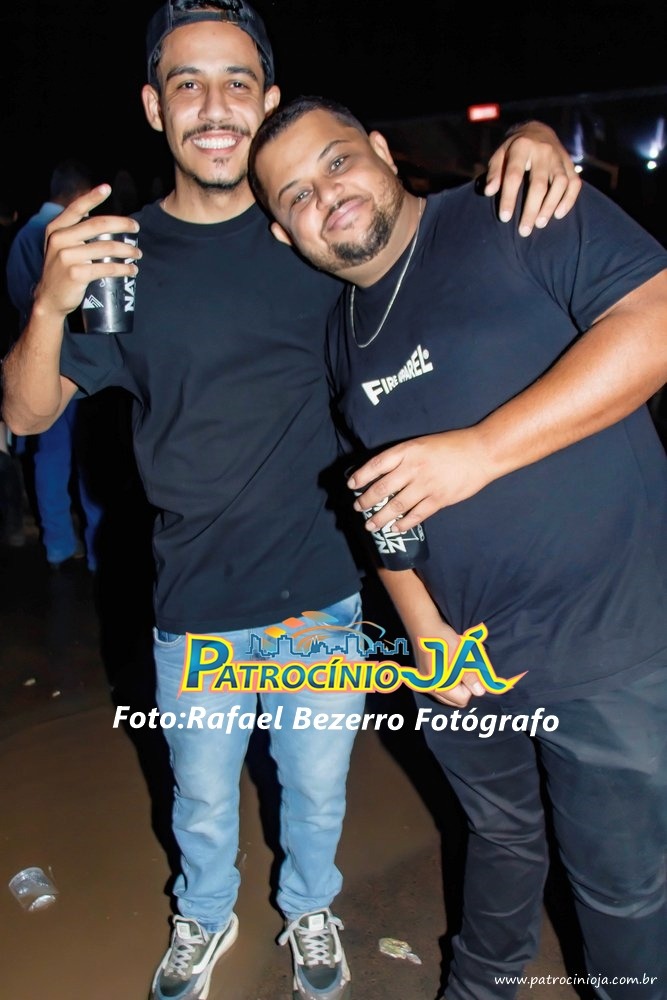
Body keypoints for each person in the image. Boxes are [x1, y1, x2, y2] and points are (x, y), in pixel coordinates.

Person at [1, 3, 582, 998]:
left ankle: (309, 906)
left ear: (266, 99)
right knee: (200, 801)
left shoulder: (311, 232)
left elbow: (433, 232)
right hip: (193, 601)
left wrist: (525, 136)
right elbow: (25, 408)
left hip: (322, 596)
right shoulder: (122, 258)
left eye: (237, 81)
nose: (213, 105)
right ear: (154, 107)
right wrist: (50, 304)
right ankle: (204, 914)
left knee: (315, 793)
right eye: (186, 83)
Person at [249, 95, 667, 1000]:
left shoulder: (511, 207)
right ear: (285, 235)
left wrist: (482, 451)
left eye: (335, 162)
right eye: (294, 196)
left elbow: (655, 321)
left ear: (380, 150)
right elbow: (374, 499)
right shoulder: (341, 334)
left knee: (622, 896)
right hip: (463, 659)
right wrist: (423, 629)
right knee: (499, 839)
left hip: (607, 643)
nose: (325, 196)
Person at [6, 159, 104, 571]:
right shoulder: (64, 235)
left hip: (37, 362)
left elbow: (19, 299)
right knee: (88, 457)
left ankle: (59, 545)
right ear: (79, 195)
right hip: (76, 362)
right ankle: (95, 552)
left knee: (51, 456)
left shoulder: (23, 237)